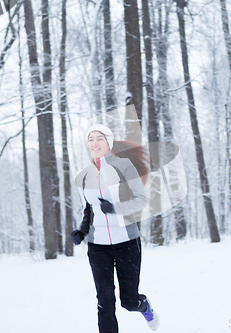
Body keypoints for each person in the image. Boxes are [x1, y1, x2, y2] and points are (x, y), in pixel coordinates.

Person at [71, 124, 159, 332]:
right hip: (98, 246)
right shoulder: (83, 176)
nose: (94, 143)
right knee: (105, 300)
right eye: (91, 139)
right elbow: (88, 211)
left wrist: (115, 208)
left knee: (128, 301)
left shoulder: (125, 167)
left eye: (99, 138)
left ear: (109, 142)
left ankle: (144, 306)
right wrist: (82, 232)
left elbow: (141, 200)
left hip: (127, 242)